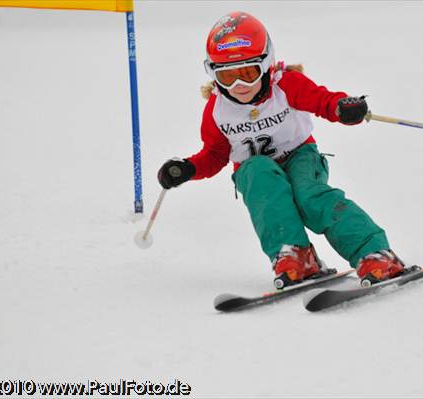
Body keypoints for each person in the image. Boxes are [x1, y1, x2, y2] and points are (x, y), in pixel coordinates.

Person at [157, 11, 405, 289]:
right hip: (255, 170)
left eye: (248, 74)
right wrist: (188, 169)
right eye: (227, 77)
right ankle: (295, 256)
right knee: (261, 183)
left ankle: (374, 253)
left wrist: (341, 107)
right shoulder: (217, 112)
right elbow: (215, 155)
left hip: (300, 156)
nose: (239, 86)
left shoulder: (285, 85)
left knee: (309, 197)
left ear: (266, 64)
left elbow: (322, 100)